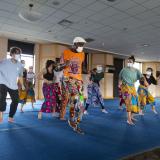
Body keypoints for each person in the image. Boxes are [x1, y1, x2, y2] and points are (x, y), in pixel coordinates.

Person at [61, 36, 86, 134]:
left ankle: (76, 122)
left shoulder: (82, 54)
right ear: (75, 44)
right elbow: (65, 65)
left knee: (81, 103)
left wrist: (87, 72)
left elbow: (81, 67)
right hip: (69, 79)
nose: (82, 46)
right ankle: (72, 120)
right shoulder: (67, 52)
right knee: (74, 98)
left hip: (79, 80)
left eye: (83, 45)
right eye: (80, 44)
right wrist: (60, 66)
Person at [0, 47, 24, 123]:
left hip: (13, 84)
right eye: (16, 53)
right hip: (3, 82)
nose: (17, 55)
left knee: (16, 100)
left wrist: (22, 85)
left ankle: (10, 116)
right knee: (2, 98)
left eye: (19, 53)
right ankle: (1, 114)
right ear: (12, 54)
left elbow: (20, 76)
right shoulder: (4, 61)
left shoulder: (20, 65)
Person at [119, 55, 143, 125]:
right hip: (125, 86)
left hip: (132, 87)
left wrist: (144, 81)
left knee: (135, 102)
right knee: (128, 102)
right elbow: (120, 78)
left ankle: (131, 116)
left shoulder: (136, 70)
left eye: (130, 61)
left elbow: (141, 77)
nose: (129, 62)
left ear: (133, 62)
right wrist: (119, 85)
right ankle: (128, 120)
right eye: (128, 61)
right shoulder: (123, 69)